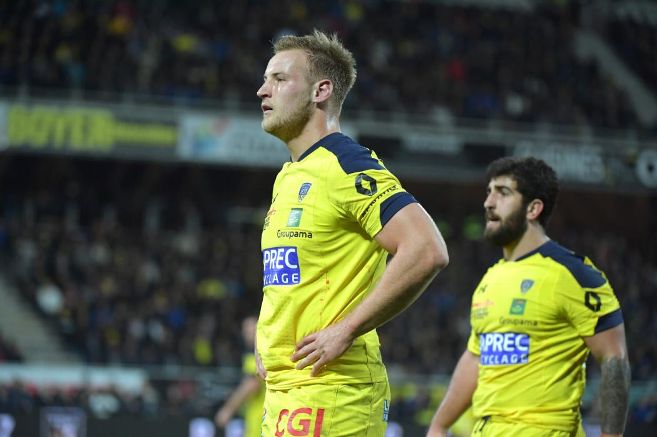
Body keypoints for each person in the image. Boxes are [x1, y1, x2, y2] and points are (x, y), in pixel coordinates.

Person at [255, 29, 449, 436]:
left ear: (320, 91)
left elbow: (426, 248)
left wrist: (345, 329)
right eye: (265, 79)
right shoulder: (290, 175)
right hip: (287, 392)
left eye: (279, 79)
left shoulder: (345, 162)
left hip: (332, 393)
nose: (262, 90)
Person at [426, 157, 631, 437]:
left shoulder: (573, 274)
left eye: (503, 192)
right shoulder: (491, 278)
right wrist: (439, 425)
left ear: (533, 208)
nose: (488, 202)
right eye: (488, 192)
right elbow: (476, 357)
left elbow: (614, 359)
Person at [214, 316, 265, 437]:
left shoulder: (256, 357)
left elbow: (251, 384)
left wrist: (228, 409)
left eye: (253, 330)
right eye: (246, 330)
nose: (249, 334)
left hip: (258, 420)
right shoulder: (263, 353)